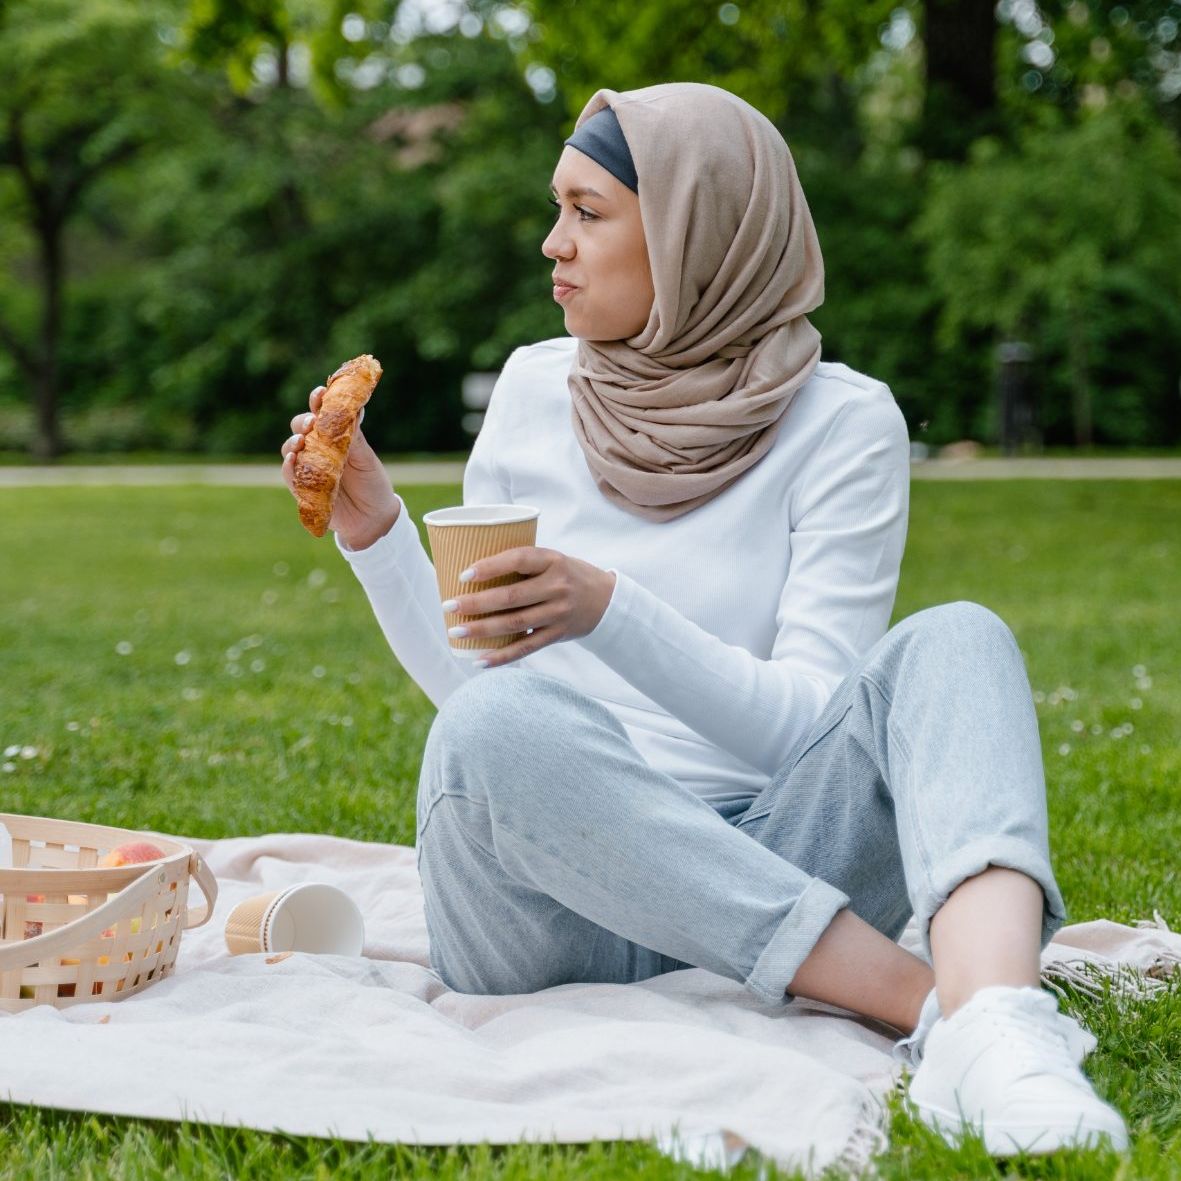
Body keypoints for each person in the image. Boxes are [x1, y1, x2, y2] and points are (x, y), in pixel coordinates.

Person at [280, 83, 1128, 1157]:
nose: (553, 243)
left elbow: (803, 722)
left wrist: (609, 609)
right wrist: (376, 531)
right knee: (491, 730)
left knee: (958, 634)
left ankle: (1001, 1028)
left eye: (588, 213)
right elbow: (477, 692)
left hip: (782, 846)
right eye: (557, 209)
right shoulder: (533, 391)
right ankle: (929, 1007)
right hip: (551, 910)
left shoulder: (841, 421)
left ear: (694, 234)